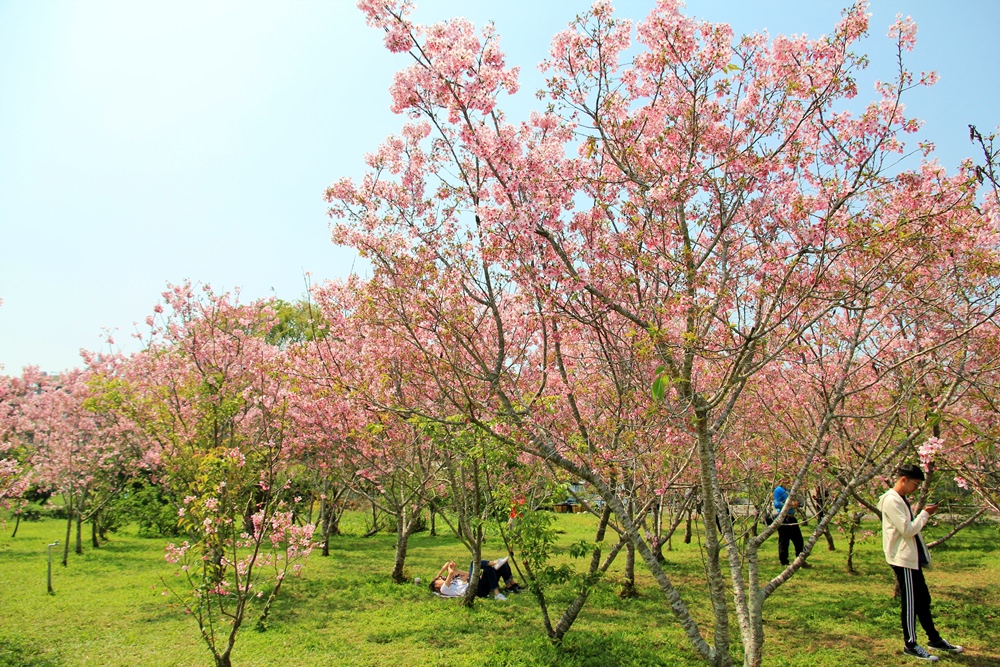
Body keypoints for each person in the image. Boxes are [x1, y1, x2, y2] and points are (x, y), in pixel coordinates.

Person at [878, 464, 964, 661]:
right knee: (910, 603)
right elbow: (907, 530)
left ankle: (934, 639)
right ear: (903, 480)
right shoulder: (891, 500)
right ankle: (910, 644)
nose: (916, 488)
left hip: (910, 558)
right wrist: (925, 514)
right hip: (902, 559)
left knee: (923, 600)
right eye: (915, 484)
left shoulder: (900, 499)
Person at [429, 557, 522, 600]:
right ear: (436, 584)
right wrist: (447, 573)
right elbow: (450, 573)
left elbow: (468, 574)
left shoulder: (456, 582)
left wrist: (455, 569)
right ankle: (495, 562)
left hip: (481, 585)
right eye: (440, 579)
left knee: (497, 566)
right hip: (476, 590)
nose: (443, 578)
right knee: (473, 563)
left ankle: (510, 586)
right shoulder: (444, 589)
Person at [773, 482, 810, 567]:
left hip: (792, 517)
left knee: (799, 540)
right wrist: (789, 504)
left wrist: (797, 503)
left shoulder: (790, 490)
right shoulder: (778, 490)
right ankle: (784, 561)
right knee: (784, 541)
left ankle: (800, 560)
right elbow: (777, 504)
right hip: (783, 518)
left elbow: (800, 502)